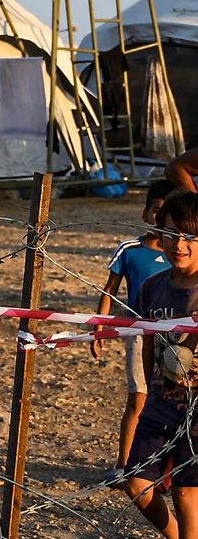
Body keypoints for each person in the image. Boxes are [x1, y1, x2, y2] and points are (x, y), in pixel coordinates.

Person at [124, 191, 198, 539]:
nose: (178, 244)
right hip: (161, 403)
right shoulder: (153, 288)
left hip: (197, 408)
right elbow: (148, 344)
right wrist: (152, 392)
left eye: (189, 236)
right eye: (170, 234)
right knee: (136, 482)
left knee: (187, 492)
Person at [92, 179, 175, 486]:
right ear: (146, 214)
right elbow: (109, 291)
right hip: (138, 332)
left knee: (171, 400)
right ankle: (124, 466)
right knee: (138, 398)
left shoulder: (182, 253)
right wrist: (99, 327)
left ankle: (165, 470)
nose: (160, 218)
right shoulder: (130, 250)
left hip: (175, 336)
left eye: (168, 213)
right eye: (156, 210)